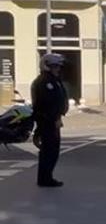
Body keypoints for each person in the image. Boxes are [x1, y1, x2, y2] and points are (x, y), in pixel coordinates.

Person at [31, 53, 69, 188]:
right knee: (49, 150)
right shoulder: (44, 82)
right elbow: (47, 103)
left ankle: (46, 177)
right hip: (48, 120)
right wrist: (54, 118)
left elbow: (58, 98)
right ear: (47, 66)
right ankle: (45, 179)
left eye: (58, 66)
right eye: (55, 66)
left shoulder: (53, 79)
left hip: (53, 120)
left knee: (52, 150)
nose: (58, 68)